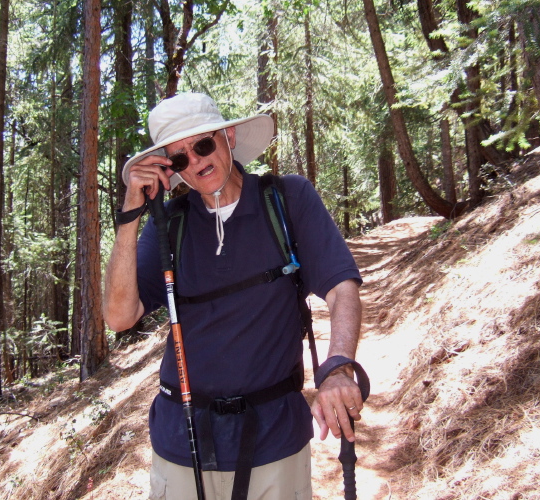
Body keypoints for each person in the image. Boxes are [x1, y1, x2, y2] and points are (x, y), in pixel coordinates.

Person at [103, 92, 364, 500]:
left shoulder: (286, 199)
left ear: (228, 137)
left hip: (275, 441)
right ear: (171, 170)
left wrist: (336, 368)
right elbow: (119, 317)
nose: (197, 160)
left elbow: (341, 287)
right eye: (180, 158)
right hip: (181, 443)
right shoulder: (168, 225)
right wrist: (130, 218)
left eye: (203, 144)